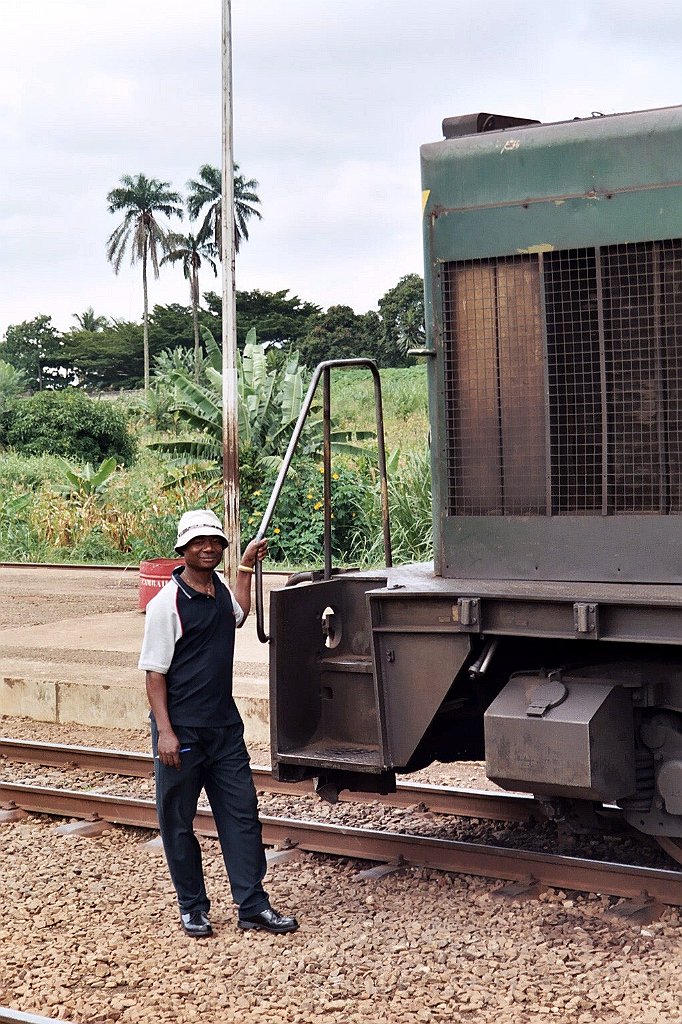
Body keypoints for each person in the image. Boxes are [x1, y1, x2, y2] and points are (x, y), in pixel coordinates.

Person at [138, 508, 298, 938]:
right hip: (181, 732)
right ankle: (192, 907)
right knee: (178, 820)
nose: (208, 548)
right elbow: (154, 674)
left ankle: (253, 906)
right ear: (183, 549)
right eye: (198, 543)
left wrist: (245, 564)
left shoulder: (219, 589)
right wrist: (166, 733)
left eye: (215, 542)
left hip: (225, 730)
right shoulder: (165, 605)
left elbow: (239, 612)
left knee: (242, 816)